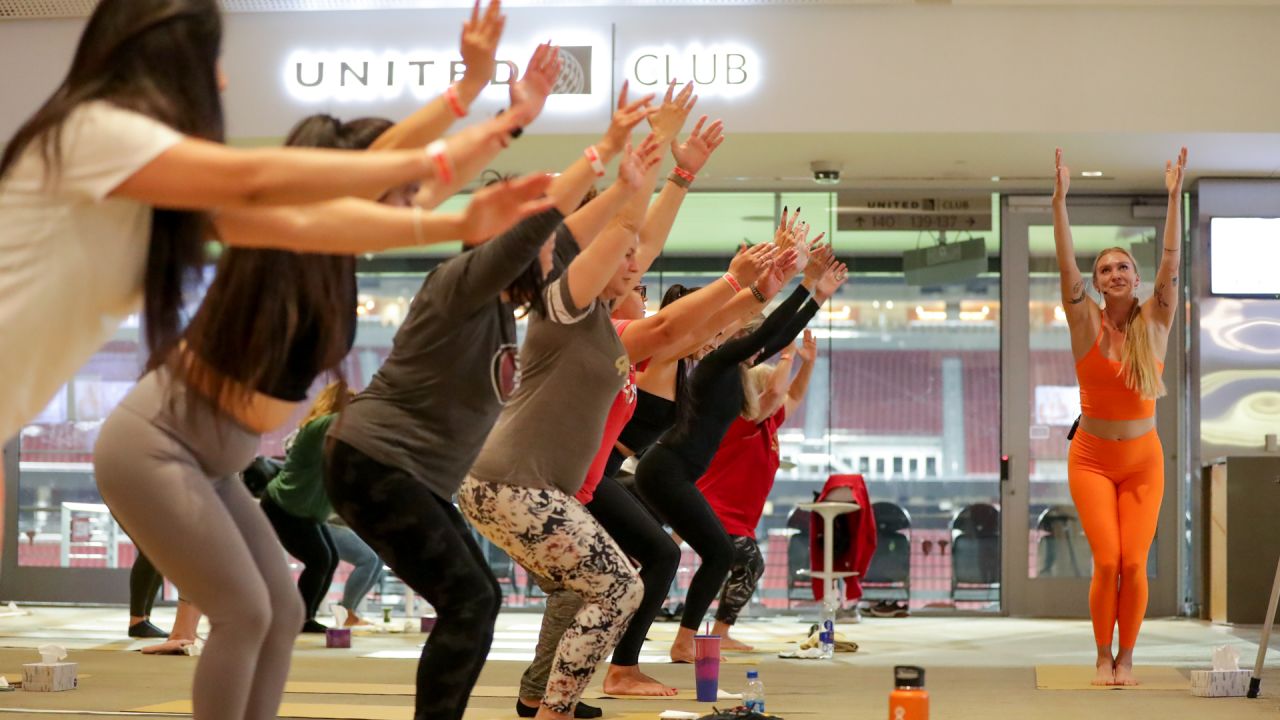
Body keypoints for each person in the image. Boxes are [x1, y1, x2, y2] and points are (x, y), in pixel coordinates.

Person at [326, 87, 658, 720]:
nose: (548, 257)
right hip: (375, 459)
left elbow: (564, 238)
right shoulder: (465, 282)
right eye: (534, 245)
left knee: (476, 597)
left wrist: (626, 187)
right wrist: (607, 152)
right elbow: (541, 234)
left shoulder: (508, 311)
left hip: (405, 471)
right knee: (473, 600)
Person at [459, 132, 667, 720]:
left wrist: (677, 177)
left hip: (520, 484)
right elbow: (627, 234)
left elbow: (640, 240)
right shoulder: (566, 302)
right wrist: (637, 176)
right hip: (511, 482)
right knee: (619, 587)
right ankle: (551, 710)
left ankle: (545, 702)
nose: (635, 268)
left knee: (594, 588)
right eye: (621, 261)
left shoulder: (597, 316)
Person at [634, 212, 843, 663]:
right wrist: (803, 285)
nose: (741, 327)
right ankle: (683, 641)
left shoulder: (732, 368)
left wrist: (815, 293)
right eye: (733, 325)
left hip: (675, 473)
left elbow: (776, 333)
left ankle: (682, 639)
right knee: (716, 551)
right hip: (666, 471)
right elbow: (768, 329)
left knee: (706, 553)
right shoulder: (713, 365)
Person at [1053, 147, 1186, 686]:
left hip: (1142, 460)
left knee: (1135, 563)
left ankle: (1127, 658)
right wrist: (1060, 201)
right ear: (1096, 279)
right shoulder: (1084, 320)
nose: (1114, 273)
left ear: (1136, 276)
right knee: (1107, 561)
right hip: (1090, 457)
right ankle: (1101, 655)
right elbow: (1065, 263)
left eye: (1123, 267)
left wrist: (1175, 196)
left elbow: (1173, 260)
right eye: (1105, 268)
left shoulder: (1156, 318)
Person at [695, 328, 821, 650]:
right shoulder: (741, 422)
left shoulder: (768, 424)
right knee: (749, 563)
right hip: (717, 512)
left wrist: (807, 364)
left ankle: (714, 631)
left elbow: (792, 395)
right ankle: (714, 633)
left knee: (740, 565)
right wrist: (788, 352)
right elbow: (779, 391)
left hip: (737, 518)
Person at [260, 382, 350, 633]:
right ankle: (300, 619)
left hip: (304, 510)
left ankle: (305, 617)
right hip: (285, 505)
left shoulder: (329, 432)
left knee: (328, 559)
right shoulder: (318, 426)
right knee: (319, 559)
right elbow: (344, 421)